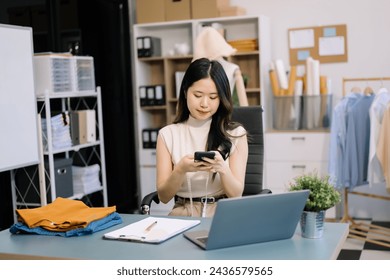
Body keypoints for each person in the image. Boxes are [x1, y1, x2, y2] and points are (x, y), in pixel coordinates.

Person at [156, 58, 249, 218]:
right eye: (198, 95)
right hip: (183, 213)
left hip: (223, 213)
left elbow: (236, 194)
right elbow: (163, 197)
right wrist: (180, 169)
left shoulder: (235, 134)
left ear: (222, 98)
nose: (205, 104)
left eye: (213, 97)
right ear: (185, 92)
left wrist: (222, 168)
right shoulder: (167, 134)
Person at [193, 26, 249, 106]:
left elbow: (244, 104)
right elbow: (244, 104)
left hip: (218, 111)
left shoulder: (233, 69)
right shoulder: (196, 70)